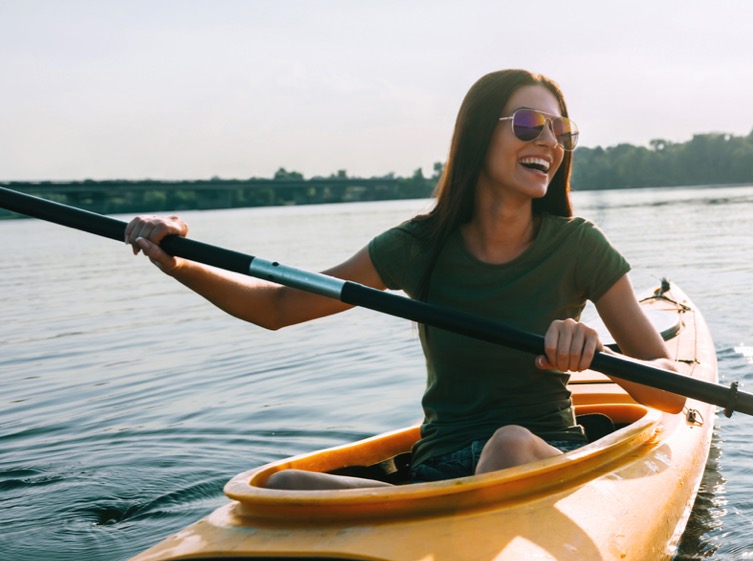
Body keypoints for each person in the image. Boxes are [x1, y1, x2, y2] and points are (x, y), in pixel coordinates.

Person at [124, 69, 686, 489]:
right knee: (282, 484)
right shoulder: (418, 245)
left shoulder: (580, 246)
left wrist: (595, 354)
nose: (550, 142)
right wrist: (178, 261)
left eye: (561, 131)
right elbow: (276, 306)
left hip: (539, 455)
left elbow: (670, 393)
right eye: (528, 124)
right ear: (478, 135)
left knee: (509, 445)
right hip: (437, 469)